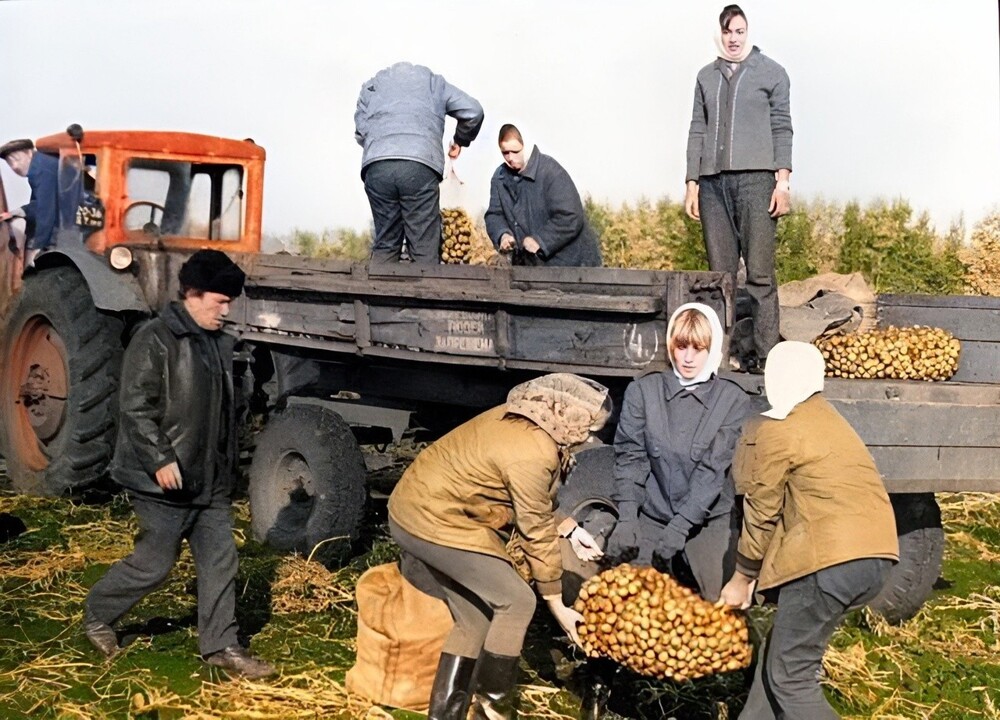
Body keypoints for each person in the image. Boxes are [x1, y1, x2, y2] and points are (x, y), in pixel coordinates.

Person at [84, 250, 275, 680]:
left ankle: (221, 646)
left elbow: (224, 414)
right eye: (219, 301)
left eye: (230, 302)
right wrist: (160, 459)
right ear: (191, 293)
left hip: (208, 482)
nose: (226, 310)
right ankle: (98, 613)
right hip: (162, 482)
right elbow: (134, 407)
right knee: (154, 564)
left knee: (221, 560)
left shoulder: (219, 344)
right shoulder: (154, 338)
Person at [388, 373, 612, 720]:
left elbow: (532, 499)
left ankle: (446, 716)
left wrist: (569, 528)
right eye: (587, 428)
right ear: (567, 416)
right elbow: (534, 525)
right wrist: (556, 602)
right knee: (517, 600)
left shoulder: (530, 419)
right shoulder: (532, 449)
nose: (588, 437)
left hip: (424, 509)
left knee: (474, 620)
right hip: (432, 519)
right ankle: (493, 709)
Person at [720, 341, 899, 720]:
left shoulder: (779, 428)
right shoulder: (829, 419)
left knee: (792, 678)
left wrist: (742, 577)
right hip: (877, 555)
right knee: (780, 656)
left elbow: (761, 511)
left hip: (828, 560)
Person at [606, 303, 751, 602]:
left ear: (713, 350)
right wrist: (629, 516)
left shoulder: (731, 399)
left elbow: (713, 469)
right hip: (654, 512)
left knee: (714, 606)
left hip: (707, 518)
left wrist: (682, 525)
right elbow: (631, 456)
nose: (687, 358)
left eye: (698, 348)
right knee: (635, 599)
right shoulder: (644, 391)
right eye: (681, 346)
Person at [684, 5, 793, 373]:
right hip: (713, 185)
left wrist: (782, 182)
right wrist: (692, 182)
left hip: (757, 181)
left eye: (740, 31)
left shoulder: (772, 73)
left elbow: (782, 127)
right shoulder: (705, 77)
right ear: (720, 33)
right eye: (728, 32)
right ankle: (720, 356)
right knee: (720, 277)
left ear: (749, 33)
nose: (734, 39)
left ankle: (766, 356)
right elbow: (697, 130)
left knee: (760, 273)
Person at [354, 61, 484, 264]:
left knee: (386, 243)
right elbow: (473, 111)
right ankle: (425, 292)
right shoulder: (434, 83)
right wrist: (460, 139)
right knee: (423, 248)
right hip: (419, 167)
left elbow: (361, 132)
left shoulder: (371, 87)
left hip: (377, 166)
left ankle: (379, 294)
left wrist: (384, 148)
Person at [484, 124, 602, 267]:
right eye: (505, 152)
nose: (510, 158)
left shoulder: (551, 172)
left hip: (571, 266)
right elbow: (494, 214)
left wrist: (540, 241)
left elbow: (571, 216)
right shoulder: (499, 178)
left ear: (525, 146)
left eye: (515, 151)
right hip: (530, 268)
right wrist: (502, 234)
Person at [0, 138, 60, 267]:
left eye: (17, 159)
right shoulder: (40, 165)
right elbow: (40, 203)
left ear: (29, 153)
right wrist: (17, 212)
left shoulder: (41, 169)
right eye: (10, 162)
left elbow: (46, 209)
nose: (14, 166)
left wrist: (39, 247)